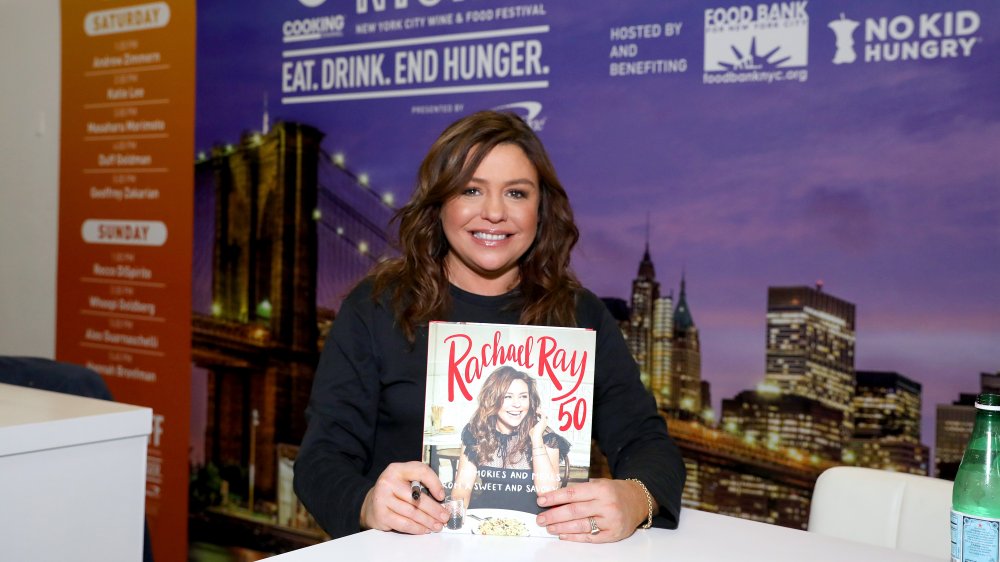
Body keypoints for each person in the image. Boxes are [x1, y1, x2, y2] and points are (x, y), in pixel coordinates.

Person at [294, 110, 685, 543]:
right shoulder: (374, 308)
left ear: (541, 209)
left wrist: (636, 499)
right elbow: (320, 460)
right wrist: (365, 502)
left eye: (516, 193)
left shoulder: (581, 315)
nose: (494, 212)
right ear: (439, 202)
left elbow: (648, 442)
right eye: (471, 189)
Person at [451, 366, 571, 514]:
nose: (517, 404)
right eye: (508, 396)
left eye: (523, 396)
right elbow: (461, 491)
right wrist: (455, 521)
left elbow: (547, 493)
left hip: (531, 521)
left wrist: (536, 440)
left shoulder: (545, 436)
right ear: (493, 400)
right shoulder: (477, 432)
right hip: (486, 518)